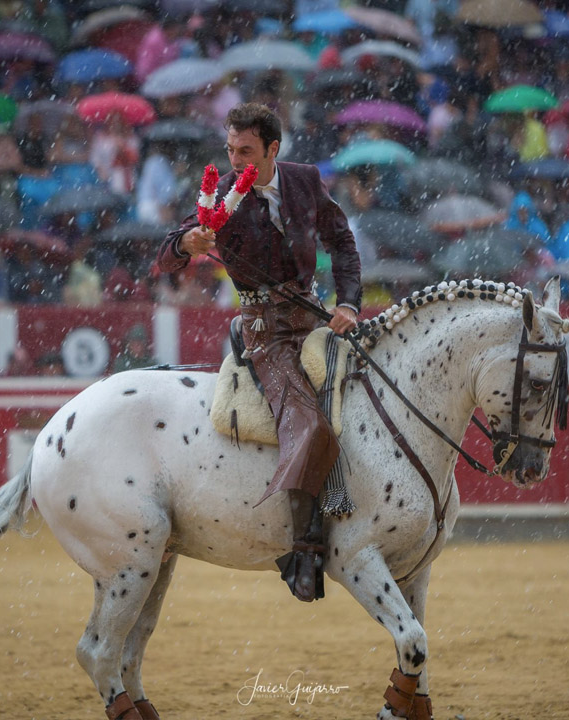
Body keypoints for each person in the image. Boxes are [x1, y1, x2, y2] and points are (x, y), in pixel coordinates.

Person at [158, 102, 361, 602]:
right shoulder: (224, 199)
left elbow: (342, 242)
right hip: (265, 333)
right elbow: (165, 252)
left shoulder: (305, 181)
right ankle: (304, 550)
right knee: (308, 424)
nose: (234, 161)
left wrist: (350, 303)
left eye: (245, 151)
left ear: (273, 149)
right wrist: (189, 240)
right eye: (229, 150)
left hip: (312, 317)